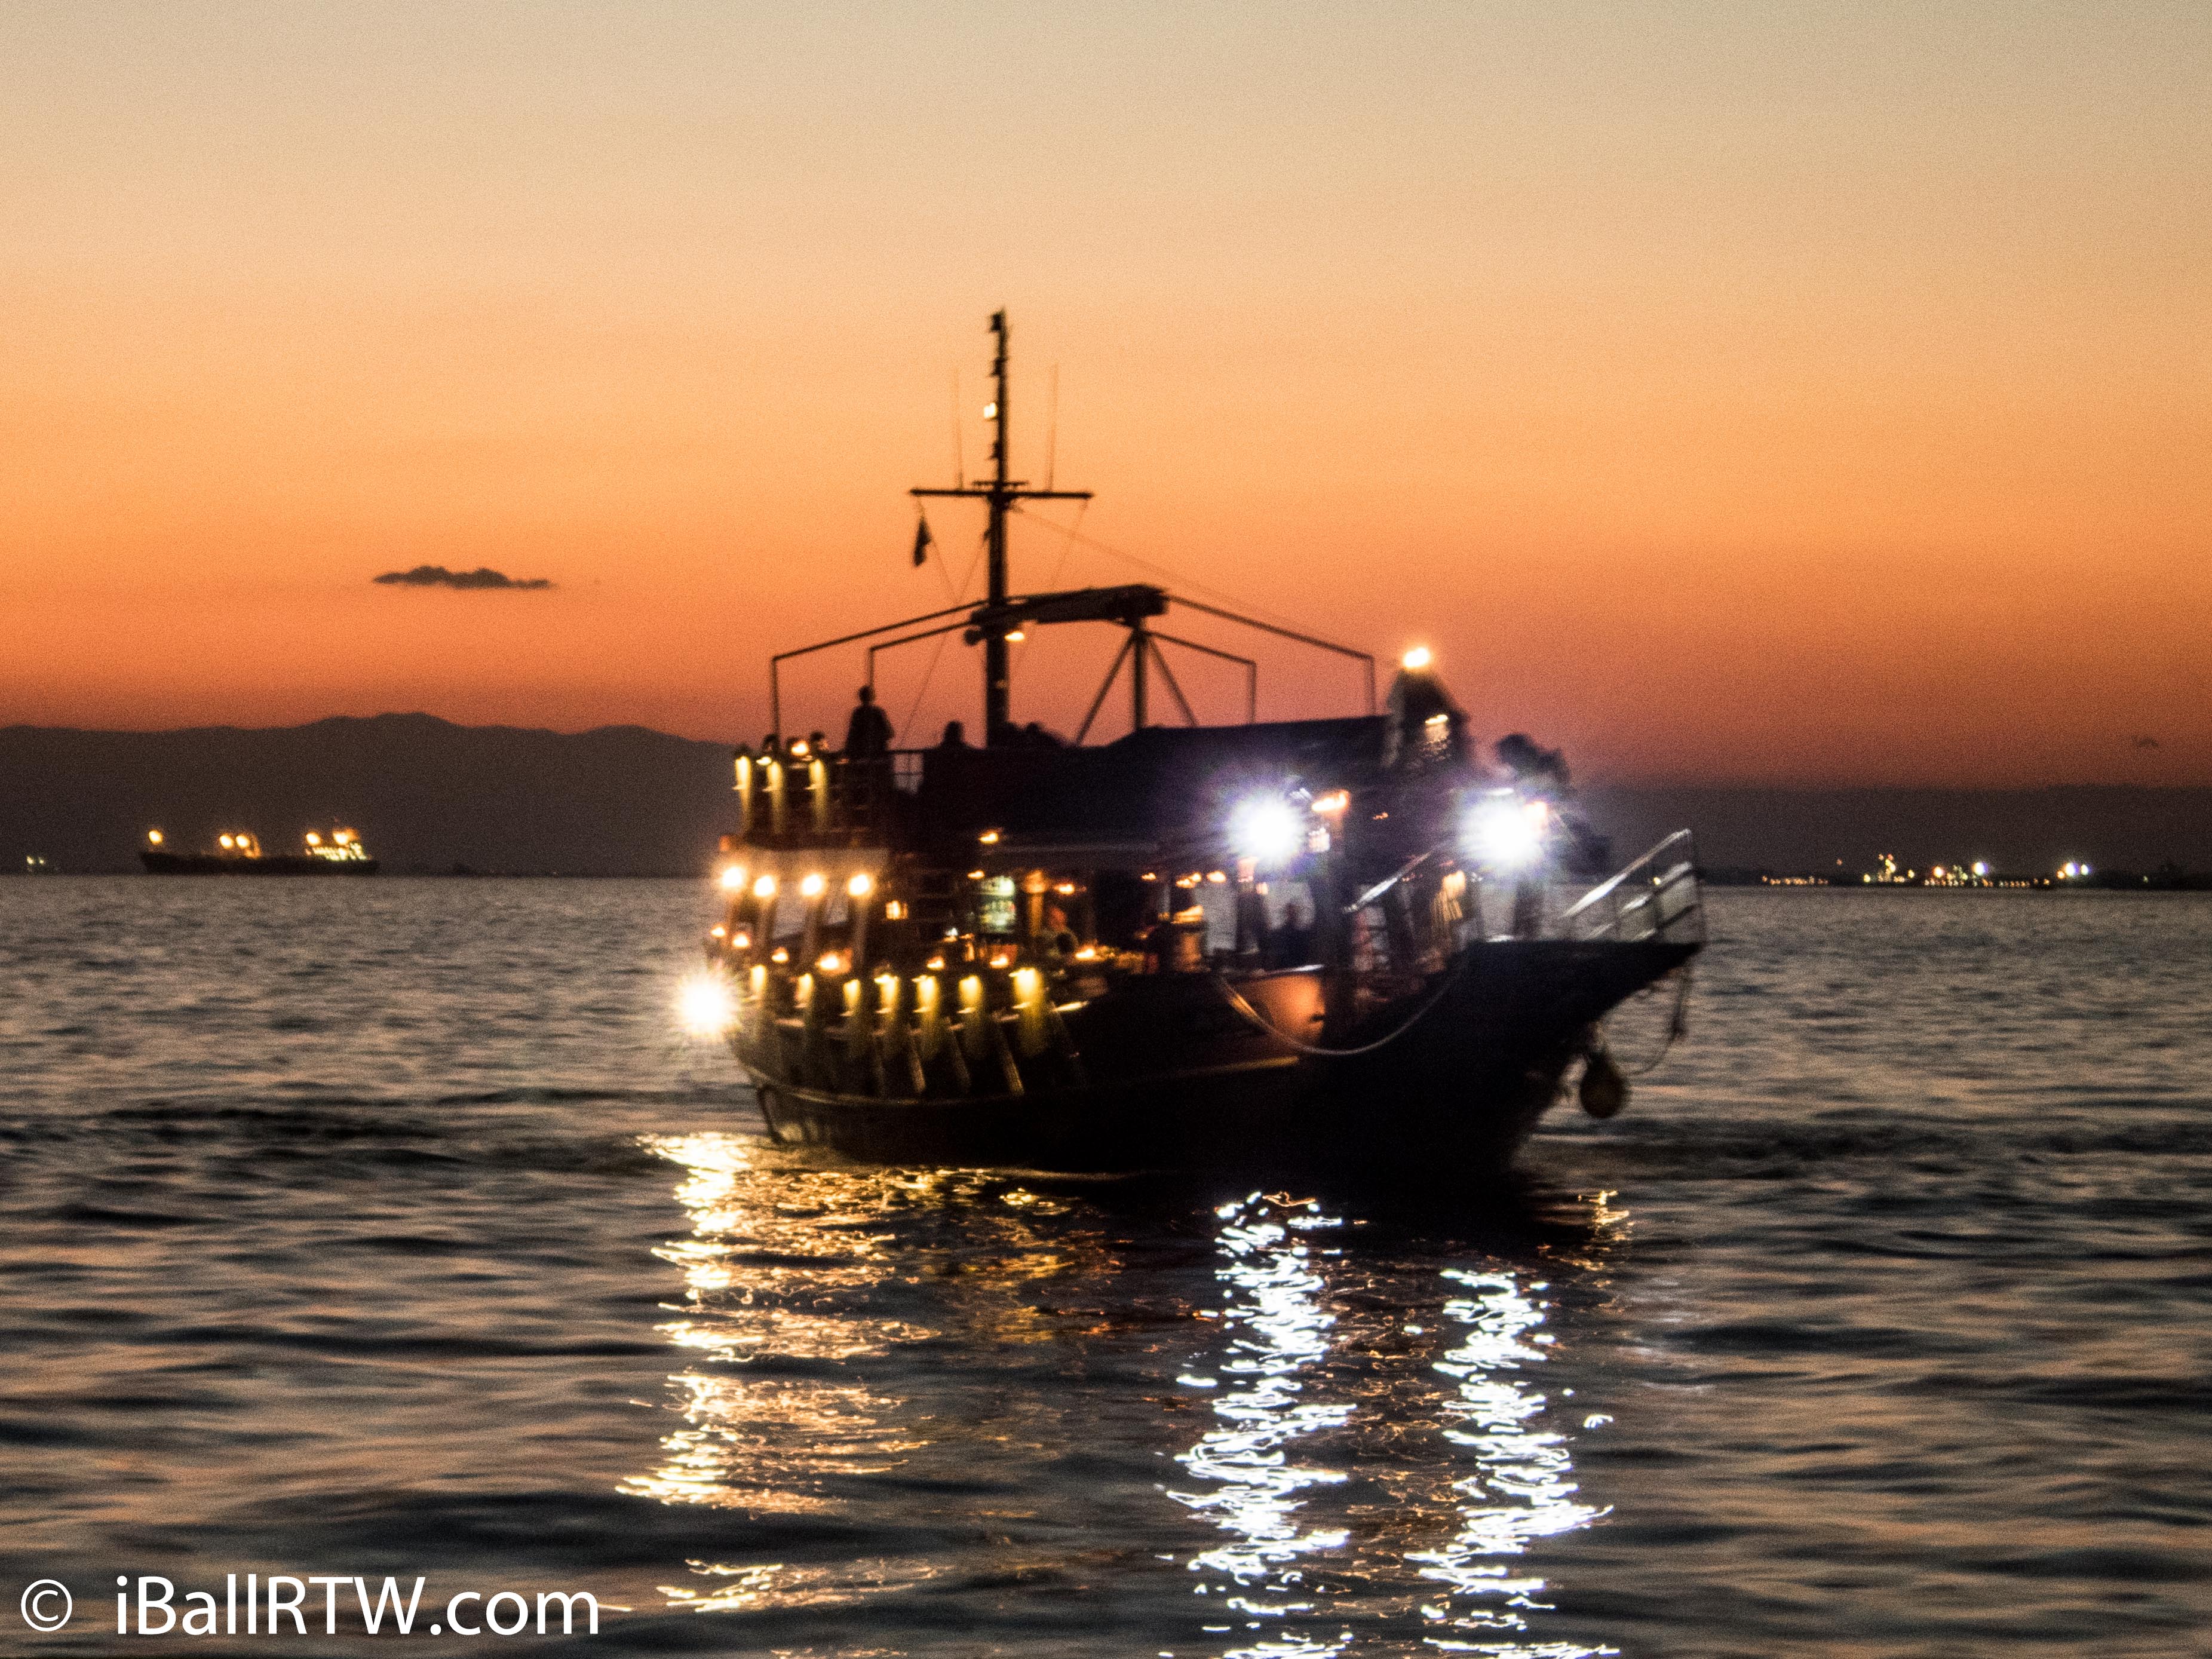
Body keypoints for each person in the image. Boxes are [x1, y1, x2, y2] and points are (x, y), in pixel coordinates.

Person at [843, 687, 892, 758]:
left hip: (877, 754)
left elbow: (889, 733)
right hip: (863, 754)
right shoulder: (858, 713)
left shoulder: (876, 712)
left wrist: (875, 738)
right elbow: (852, 734)